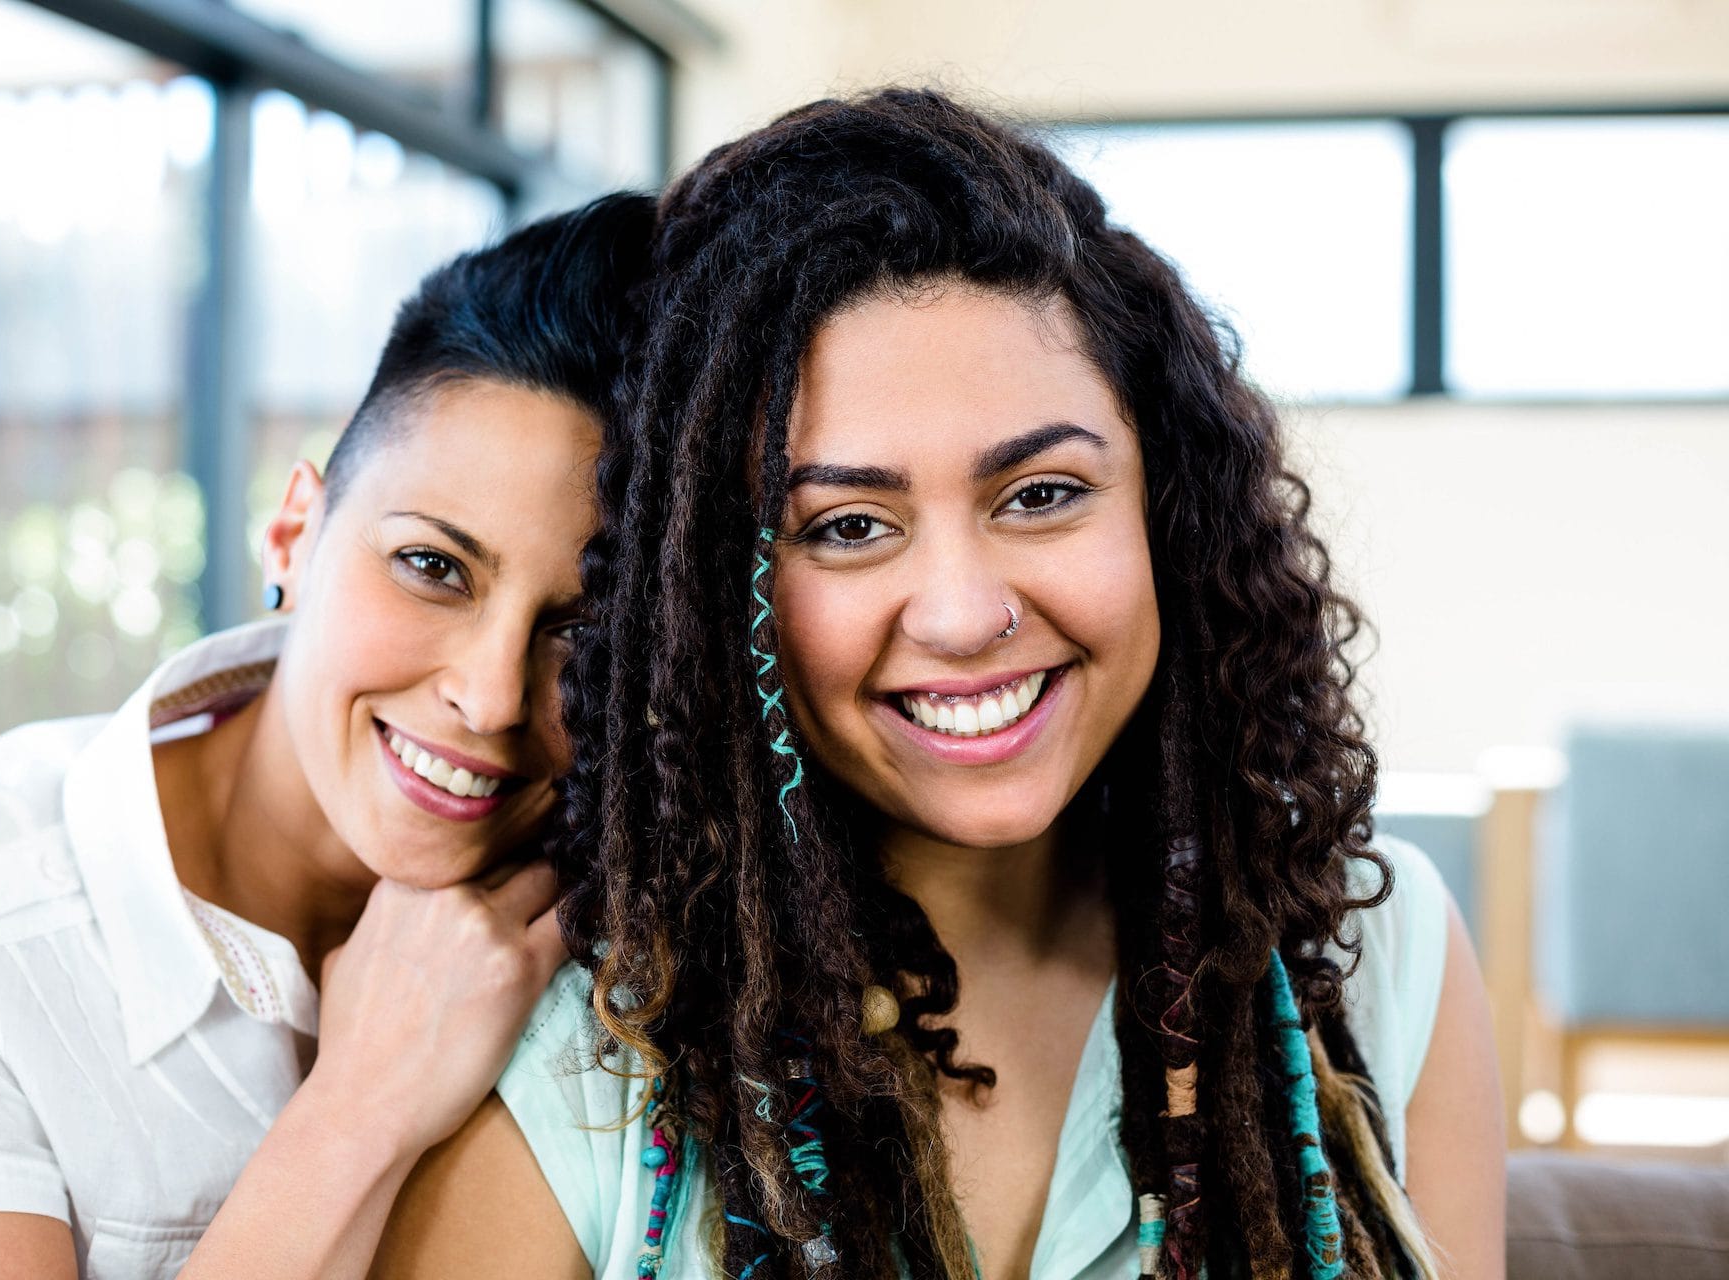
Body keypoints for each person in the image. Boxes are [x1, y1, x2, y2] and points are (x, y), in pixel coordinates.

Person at [374, 92, 1504, 1279]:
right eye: (850, 524)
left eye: (1043, 494)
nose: (967, 615)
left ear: (1165, 515)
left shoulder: (1379, 951)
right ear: (717, 588)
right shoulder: (576, 1048)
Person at [0, 192, 654, 1280]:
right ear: (295, 531)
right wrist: (363, 1103)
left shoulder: (641, 938)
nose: (491, 695)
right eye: (432, 567)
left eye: (579, 632)